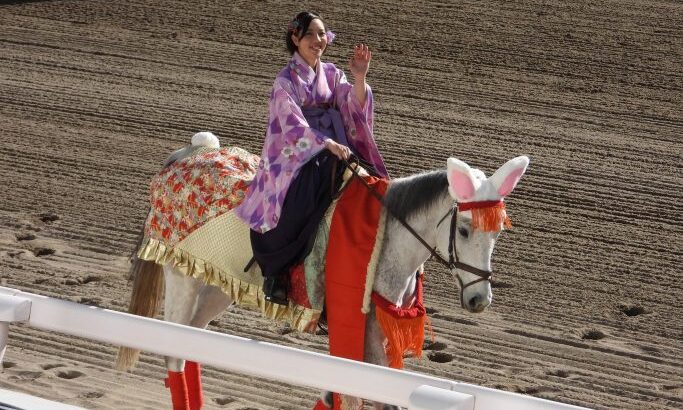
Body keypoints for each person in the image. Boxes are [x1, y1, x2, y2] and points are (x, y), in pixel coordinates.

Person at [235, 11, 388, 305]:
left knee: (370, 179)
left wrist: (359, 78)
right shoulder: (285, 81)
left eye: (321, 34)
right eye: (310, 35)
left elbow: (350, 103)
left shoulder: (331, 73)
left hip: (337, 143)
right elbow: (290, 124)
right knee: (302, 196)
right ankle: (277, 272)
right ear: (295, 39)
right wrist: (325, 143)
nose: (317, 41)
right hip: (298, 152)